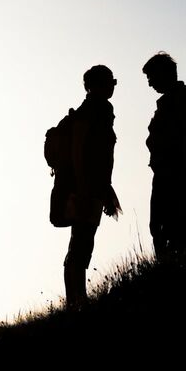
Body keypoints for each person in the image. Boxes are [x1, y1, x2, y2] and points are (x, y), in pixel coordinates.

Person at [62, 65, 122, 307]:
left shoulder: (96, 111)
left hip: (89, 188)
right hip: (85, 190)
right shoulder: (93, 112)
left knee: (82, 241)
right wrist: (89, 191)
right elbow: (86, 155)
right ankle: (76, 301)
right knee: (81, 243)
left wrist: (106, 190)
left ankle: (76, 300)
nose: (113, 86)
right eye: (110, 82)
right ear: (94, 86)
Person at [143, 52, 186, 264]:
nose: (150, 83)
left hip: (176, 176)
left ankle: (173, 276)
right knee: (161, 227)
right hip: (167, 174)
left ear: (164, 74)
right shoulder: (171, 100)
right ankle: (169, 272)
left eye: (151, 77)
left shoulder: (182, 99)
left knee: (174, 229)